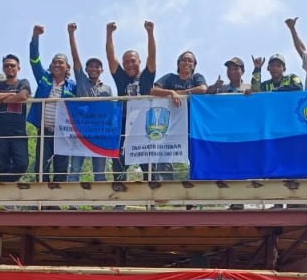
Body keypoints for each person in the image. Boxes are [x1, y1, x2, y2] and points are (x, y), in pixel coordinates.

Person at [105, 20, 158, 181]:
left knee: (148, 167)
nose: (129, 65)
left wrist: (150, 33)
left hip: (144, 127)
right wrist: (109, 33)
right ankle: (119, 203)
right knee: (119, 164)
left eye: (133, 61)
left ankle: (152, 204)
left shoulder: (147, 76)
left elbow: (152, 55)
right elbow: (110, 57)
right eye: (126, 62)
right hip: (123, 126)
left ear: (139, 62)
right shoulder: (121, 77)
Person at [27, 25, 76, 183]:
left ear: (67, 67)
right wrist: (35, 36)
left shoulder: (73, 86)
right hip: (44, 131)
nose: (56, 65)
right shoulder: (44, 78)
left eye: (60, 62)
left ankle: (56, 203)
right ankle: (41, 204)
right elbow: (34, 60)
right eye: (54, 62)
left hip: (63, 132)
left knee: (61, 166)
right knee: (41, 166)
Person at [149, 51, 207, 182]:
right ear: (178, 63)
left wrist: (180, 93)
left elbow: (203, 89)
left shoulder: (196, 77)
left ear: (194, 65)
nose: (187, 63)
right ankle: (167, 192)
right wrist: (171, 92)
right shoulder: (170, 78)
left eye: (190, 61)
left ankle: (195, 192)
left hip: (192, 126)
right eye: (184, 60)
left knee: (195, 156)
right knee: (165, 156)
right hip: (170, 126)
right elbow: (153, 90)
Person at [69, 22, 115, 182]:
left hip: (100, 135)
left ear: (102, 70)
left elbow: (110, 113)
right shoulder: (81, 81)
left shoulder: (107, 90)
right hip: (81, 133)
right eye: (91, 67)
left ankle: (100, 205)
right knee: (75, 169)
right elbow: (76, 59)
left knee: (100, 172)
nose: (94, 69)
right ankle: (72, 205)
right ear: (86, 70)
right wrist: (71, 34)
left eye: (97, 67)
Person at [0, 52, 31, 182]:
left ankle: (6, 184)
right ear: (3, 69)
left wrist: (2, 99)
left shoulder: (23, 82)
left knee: (22, 164)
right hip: (1, 131)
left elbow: (23, 96)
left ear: (18, 68)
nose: (9, 68)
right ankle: (6, 196)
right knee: (3, 166)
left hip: (18, 131)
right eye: (6, 66)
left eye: (12, 65)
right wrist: (11, 96)